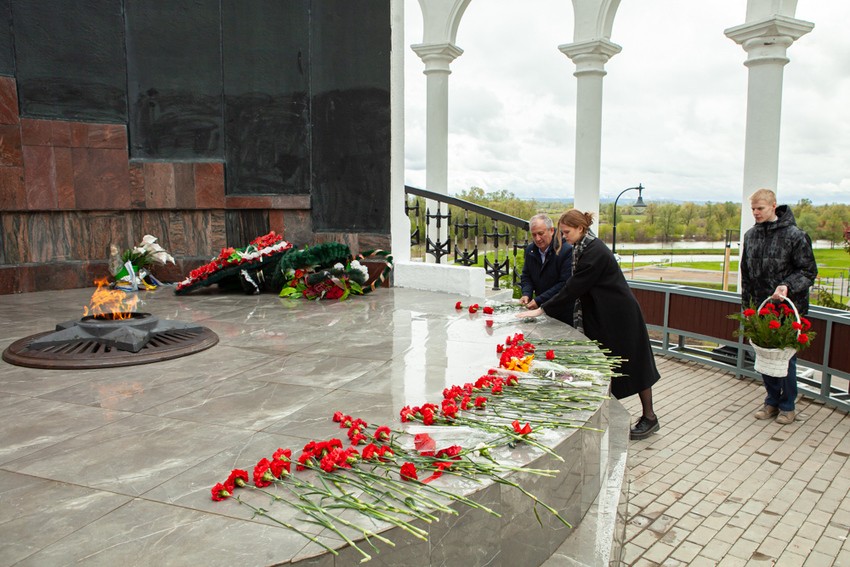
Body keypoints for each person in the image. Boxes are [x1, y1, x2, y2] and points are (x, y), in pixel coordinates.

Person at [517, 209, 661, 440]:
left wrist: (543, 308)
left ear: (580, 229)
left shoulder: (594, 252)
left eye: (566, 232)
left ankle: (650, 418)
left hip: (621, 316)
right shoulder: (583, 247)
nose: (563, 238)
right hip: (605, 315)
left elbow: (573, 287)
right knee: (609, 364)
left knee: (637, 364)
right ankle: (608, 415)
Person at [741, 188, 817, 425]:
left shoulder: (796, 235)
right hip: (760, 309)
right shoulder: (750, 235)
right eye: (753, 209)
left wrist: (786, 287)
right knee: (765, 357)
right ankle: (772, 401)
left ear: (774, 206)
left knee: (784, 359)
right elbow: (746, 274)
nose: (755, 213)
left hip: (788, 308)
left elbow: (808, 271)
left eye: (760, 208)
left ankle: (788, 406)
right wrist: (747, 307)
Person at [519, 214, 573, 324]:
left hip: (563, 310)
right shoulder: (530, 250)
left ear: (551, 231)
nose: (537, 239)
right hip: (541, 310)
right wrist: (526, 293)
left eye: (540, 233)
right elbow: (526, 275)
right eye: (534, 235)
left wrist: (539, 300)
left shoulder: (566, 250)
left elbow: (564, 284)